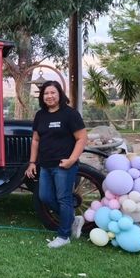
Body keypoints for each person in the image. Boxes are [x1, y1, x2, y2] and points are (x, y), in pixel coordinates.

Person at [25, 81, 88, 248]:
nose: (49, 96)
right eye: (46, 93)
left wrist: (72, 160)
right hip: (45, 165)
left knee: (64, 199)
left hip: (63, 166)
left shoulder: (70, 114)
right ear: (42, 96)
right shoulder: (41, 115)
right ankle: (73, 220)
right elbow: (36, 141)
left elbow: (82, 138)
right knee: (44, 196)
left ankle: (64, 236)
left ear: (60, 94)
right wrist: (32, 162)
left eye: (53, 92)